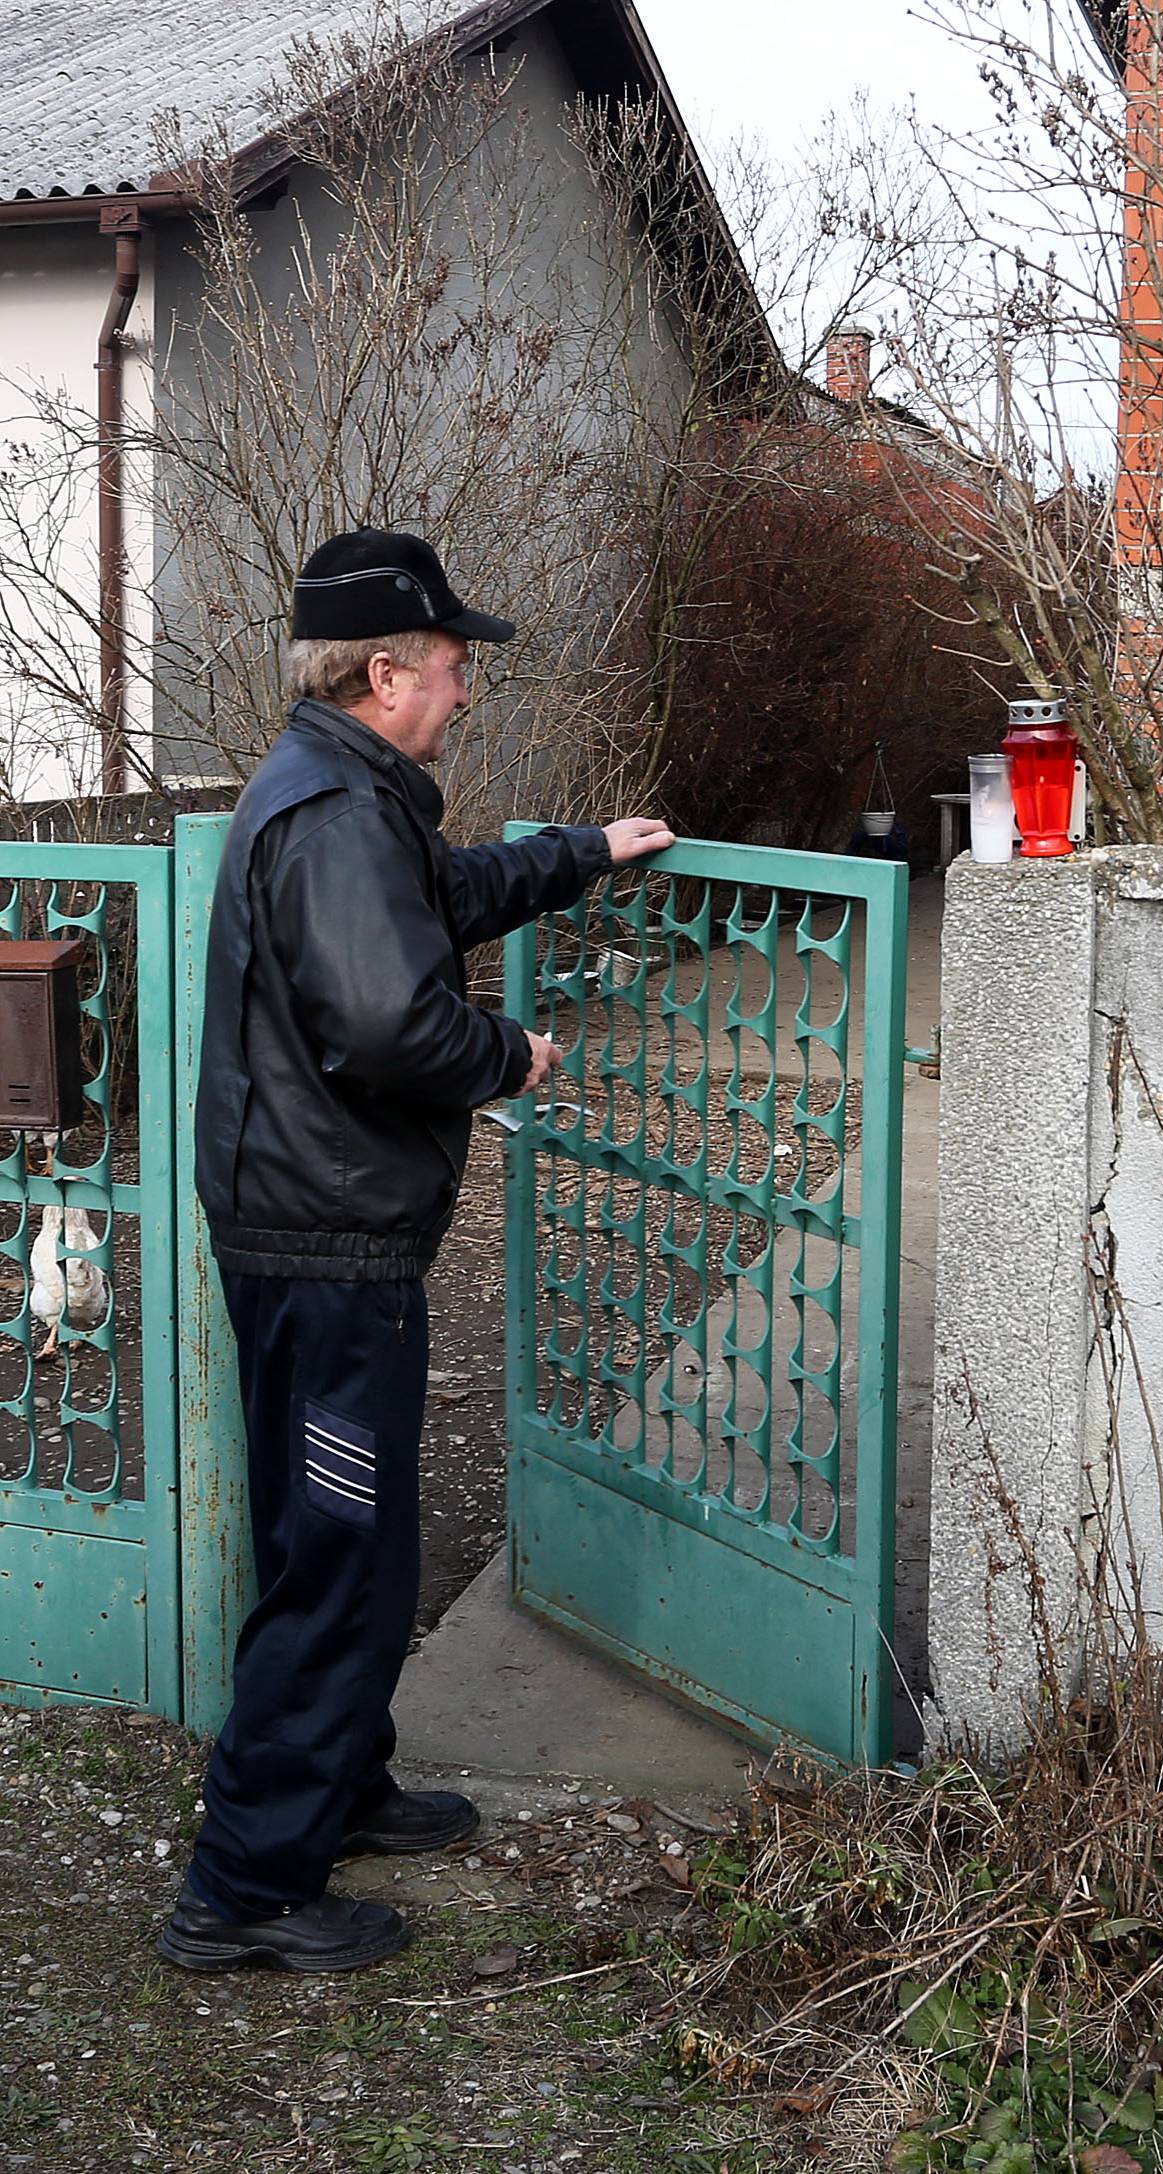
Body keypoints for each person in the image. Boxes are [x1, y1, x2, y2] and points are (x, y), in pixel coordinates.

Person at [159, 529, 674, 1973]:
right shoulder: (329, 814)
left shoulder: (348, 794)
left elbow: (435, 902)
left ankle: (341, 1783)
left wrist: (584, 855)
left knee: (348, 1539)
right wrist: (507, 1052)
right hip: (324, 1249)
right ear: (383, 671)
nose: (463, 690)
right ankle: (246, 1886)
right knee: (337, 1556)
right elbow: (390, 1023)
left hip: (316, 1231)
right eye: (453, 668)